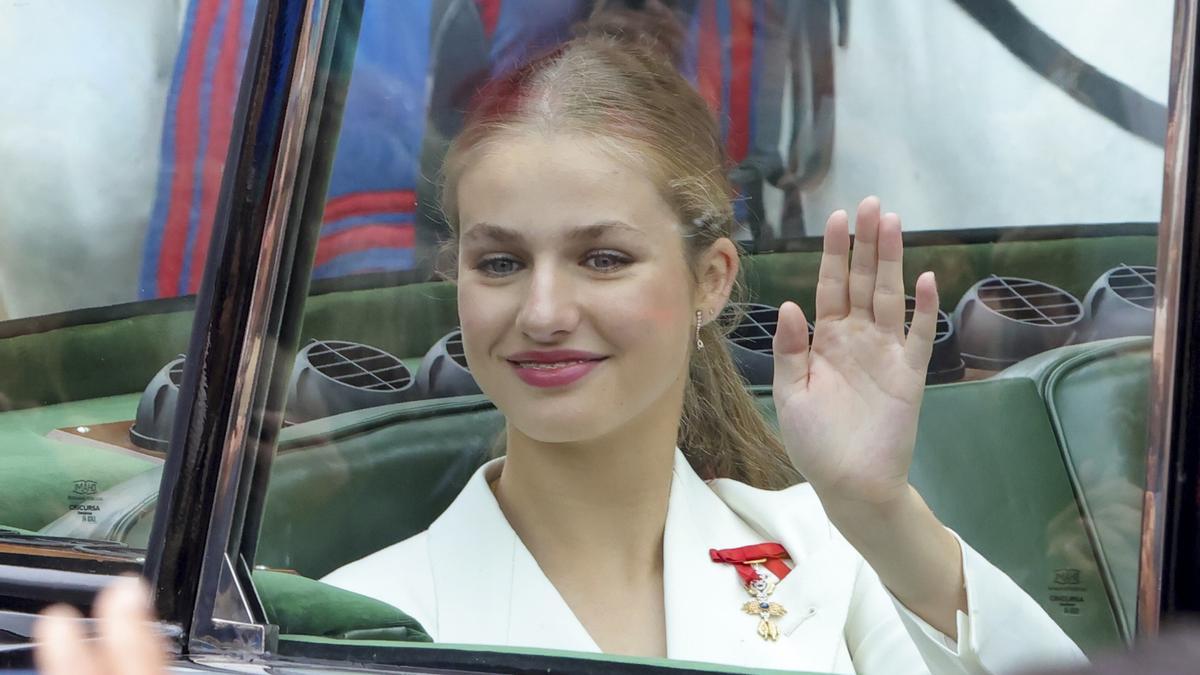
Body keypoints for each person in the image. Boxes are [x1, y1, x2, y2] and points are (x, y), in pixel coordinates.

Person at [320, 23, 1087, 675]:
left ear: (712, 280)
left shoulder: (827, 550)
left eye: (603, 258)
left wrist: (877, 507)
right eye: (500, 263)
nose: (544, 312)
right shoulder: (362, 625)